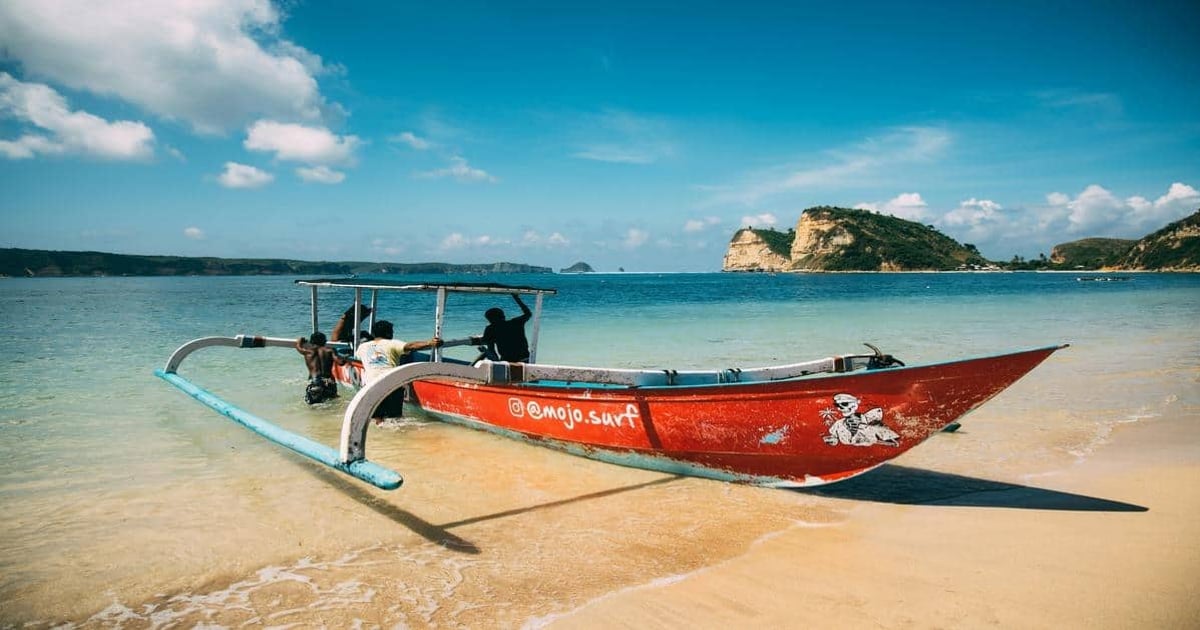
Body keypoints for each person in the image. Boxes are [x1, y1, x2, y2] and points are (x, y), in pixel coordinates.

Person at [354, 320, 442, 419]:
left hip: (371, 386)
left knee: (377, 419)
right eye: (392, 331)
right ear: (388, 333)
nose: (393, 333)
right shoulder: (392, 343)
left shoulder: (362, 347)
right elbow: (410, 346)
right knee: (395, 419)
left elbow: (358, 359)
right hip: (391, 384)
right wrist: (430, 343)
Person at [477, 293, 532, 362]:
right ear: (503, 316)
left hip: (507, 360)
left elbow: (491, 349)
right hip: (525, 358)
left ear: (490, 320)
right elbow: (528, 313)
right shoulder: (516, 322)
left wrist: (495, 361)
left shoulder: (491, 329)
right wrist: (517, 298)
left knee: (482, 347)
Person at [295, 332, 345, 404]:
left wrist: (300, 340)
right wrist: (345, 357)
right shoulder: (330, 350)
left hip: (315, 383)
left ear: (311, 341)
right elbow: (341, 362)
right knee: (332, 405)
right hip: (329, 382)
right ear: (324, 341)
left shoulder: (308, 351)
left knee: (314, 408)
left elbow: (298, 347)